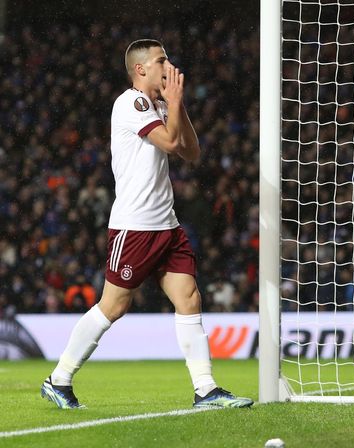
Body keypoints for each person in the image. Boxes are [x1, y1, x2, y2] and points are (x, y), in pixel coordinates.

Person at [40, 39, 253, 409]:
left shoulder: (156, 105)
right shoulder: (131, 103)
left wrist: (177, 104)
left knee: (189, 298)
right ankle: (59, 379)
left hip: (166, 225)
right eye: (161, 60)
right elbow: (171, 143)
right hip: (135, 226)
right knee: (113, 307)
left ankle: (205, 389)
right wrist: (172, 104)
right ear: (140, 70)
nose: (168, 65)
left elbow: (191, 151)